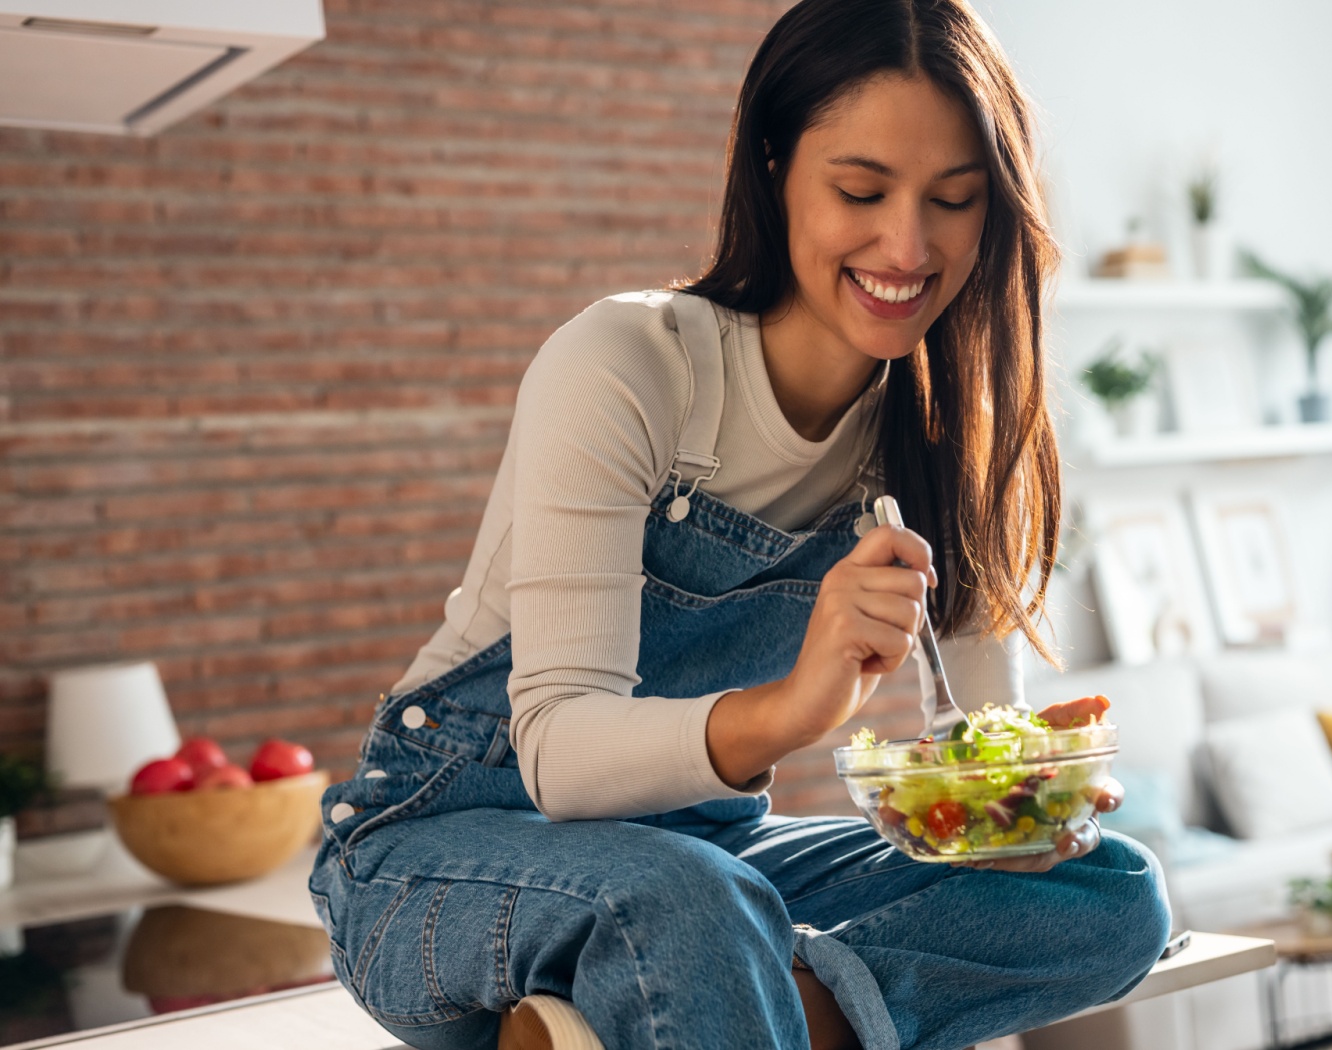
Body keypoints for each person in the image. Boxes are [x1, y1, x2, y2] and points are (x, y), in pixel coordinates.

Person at [308, 1, 1171, 1047]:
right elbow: (561, 758)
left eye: (953, 199)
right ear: (772, 167)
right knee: (686, 906)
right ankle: (679, 993)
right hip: (441, 855)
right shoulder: (627, 365)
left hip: (701, 861)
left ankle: (637, 1016)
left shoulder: (940, 431)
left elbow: (976, 753)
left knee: (1110, 890)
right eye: (861, 190)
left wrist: (1030, 801)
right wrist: (797, 707)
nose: (908, 244)